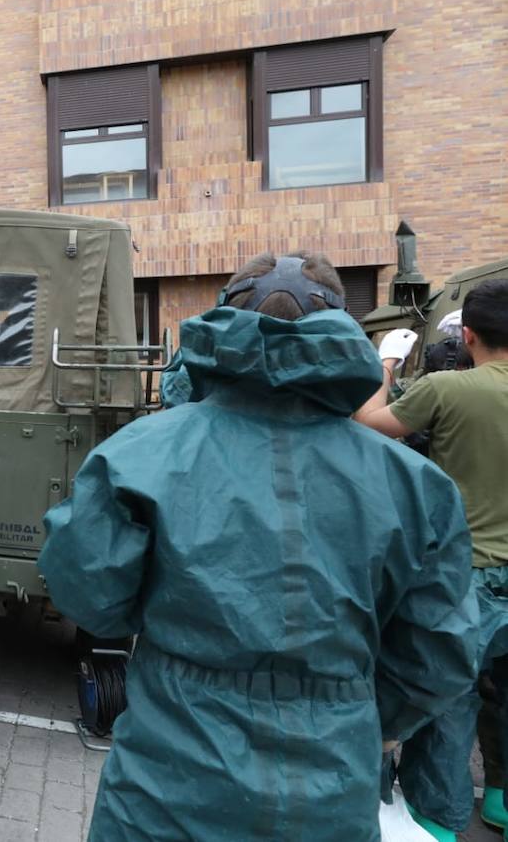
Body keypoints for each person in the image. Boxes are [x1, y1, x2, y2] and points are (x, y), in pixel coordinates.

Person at [39, 252, 479, 842]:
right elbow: (440, 652)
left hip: (168, 783)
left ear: (224, 320)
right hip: (331, 787)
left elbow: (88, 593)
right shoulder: (416, 484)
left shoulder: (141, 453)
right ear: (341, 331)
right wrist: (362, 718)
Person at [355, 279, 508, 841]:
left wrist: (386, 365)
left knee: (450, 701)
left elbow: (369, 426)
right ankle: (499, 800)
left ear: (467, 335)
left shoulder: (448, 388)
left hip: (467, 576)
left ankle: (437, 825)